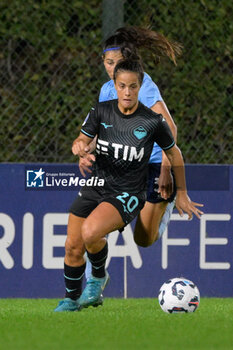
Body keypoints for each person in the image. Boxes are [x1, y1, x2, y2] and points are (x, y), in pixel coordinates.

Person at [54, 59, 203, 312]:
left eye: (133, 87)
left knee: (90, 232)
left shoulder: (152, 121)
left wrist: (182, 194)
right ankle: (70, 299)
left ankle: (98, 277)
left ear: (140, 86)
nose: (127, 92)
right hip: (97, 184)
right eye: (122, 86)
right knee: (72, 245)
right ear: (115, 85)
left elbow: (175, 153)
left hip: (128, 191)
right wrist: (80, 147)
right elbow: (82, 139)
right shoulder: (101, 111)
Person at [79, 27, 181, 281]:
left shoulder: (143, 87)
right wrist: (86, 148)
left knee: (144, 239)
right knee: (93, 224)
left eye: (118, 62)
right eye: (108, 62)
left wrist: (167, 172)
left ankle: (162, 209)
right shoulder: (107, 89)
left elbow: (171, 129)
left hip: (156, 164)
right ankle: (96, 275)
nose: (112, 67)